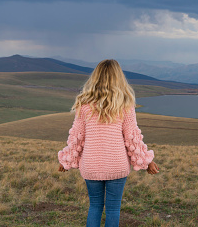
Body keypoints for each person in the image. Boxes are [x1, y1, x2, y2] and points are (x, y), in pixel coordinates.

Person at [58, 59, 159, 227]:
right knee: (113, 209)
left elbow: (77, 136)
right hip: (116, 164)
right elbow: (132, 137)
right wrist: (147, 161)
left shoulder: (84, 104)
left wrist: (66, 160)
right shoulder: (125, 104)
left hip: (91, 165)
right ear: (118, 77)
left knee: (95, 207)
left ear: (95, 77)